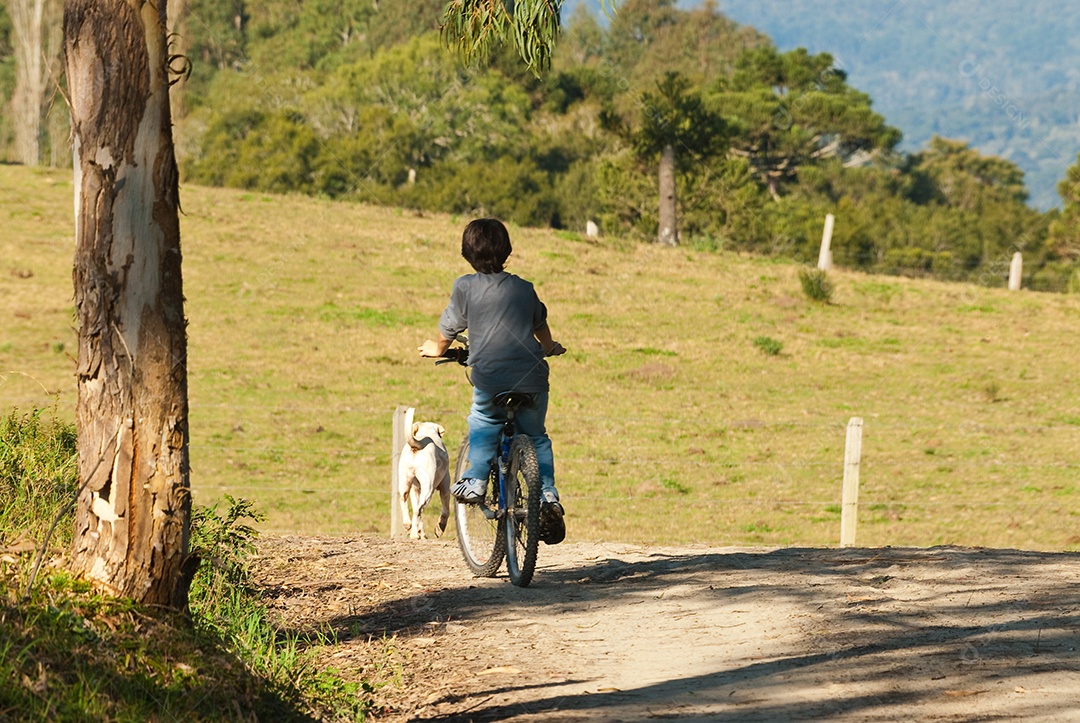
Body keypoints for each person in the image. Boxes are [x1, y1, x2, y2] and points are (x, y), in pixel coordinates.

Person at [419, 218, 567, 544]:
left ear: (466, 253)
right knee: (537, 436)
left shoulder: (464, 287)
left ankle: (474, 480)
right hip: (532, 377)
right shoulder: (524, 288)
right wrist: (549, 347)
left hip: (490, 377)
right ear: (508, 251)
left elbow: (450, 328)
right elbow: (540, 325)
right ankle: (547, 495)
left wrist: (437, 348)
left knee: (484, 419)